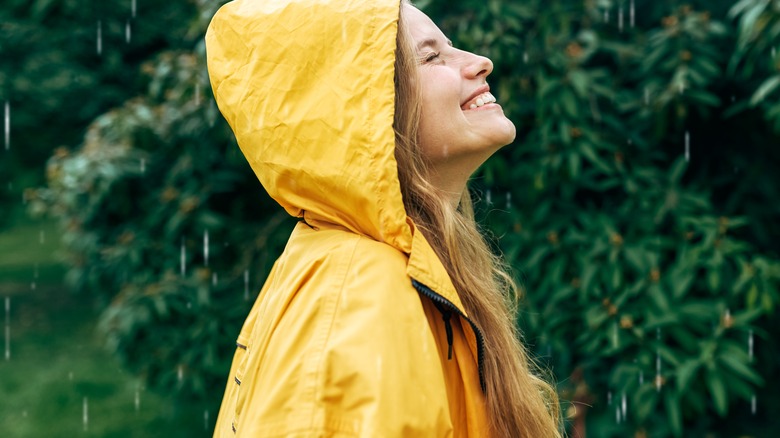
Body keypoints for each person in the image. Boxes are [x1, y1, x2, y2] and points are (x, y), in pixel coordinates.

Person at [205, 0, 561, 436]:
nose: (480, 62)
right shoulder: (363, 291)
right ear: (365, 112)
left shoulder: (387, 264)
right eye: (431, 56)